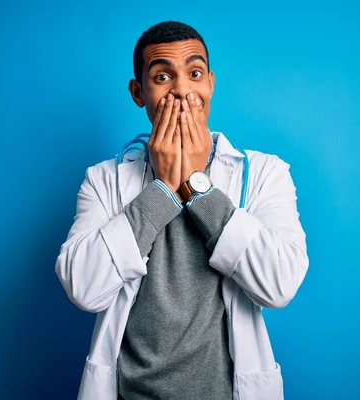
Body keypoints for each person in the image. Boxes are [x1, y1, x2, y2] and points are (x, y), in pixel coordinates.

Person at [55, 21, 309, 400]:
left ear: (210, 84)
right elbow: (84, 289)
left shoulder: (265, 173)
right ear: (138, 93)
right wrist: (162, 191)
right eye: (162, 76)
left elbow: (279, 285)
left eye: (194, 74)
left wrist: (196, 183)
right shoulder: (104, 180)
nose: (181, 91)